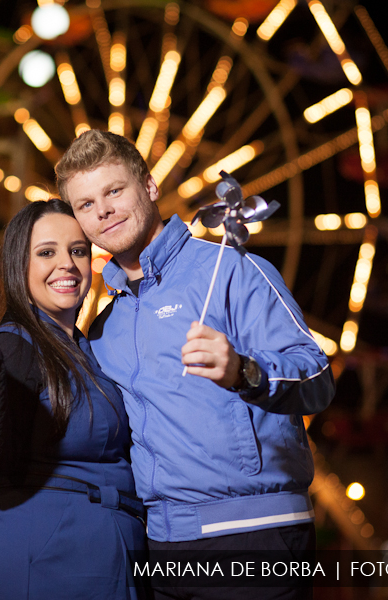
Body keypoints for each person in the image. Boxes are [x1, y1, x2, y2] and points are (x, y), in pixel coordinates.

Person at [55, 130, 335, 600]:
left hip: (256, 537)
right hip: (160, 548)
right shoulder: (105, 330)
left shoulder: (232, 270)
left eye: (114, 191)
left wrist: (245, 371)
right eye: (84, 204)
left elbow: (318, 378)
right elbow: (105, 442)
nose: (101, 210)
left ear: (149, 186)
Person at [0, 199, 147, 600]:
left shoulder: (88, 349)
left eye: (78, 250)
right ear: (19, 266)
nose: (67, 264)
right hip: (49, 555)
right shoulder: (14, 346)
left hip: (92, 551)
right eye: (46, 252)